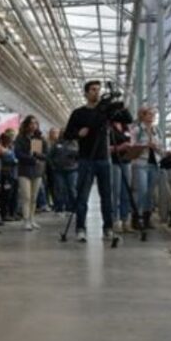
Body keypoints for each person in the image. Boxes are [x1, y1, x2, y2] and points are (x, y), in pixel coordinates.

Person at [63, 81, 114, 242]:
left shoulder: (105, 112)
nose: (96, 92)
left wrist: (116, 105)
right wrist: (78, 133)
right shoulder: (78, 113)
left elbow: (126, 118)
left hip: (103, 158)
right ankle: (80, 228)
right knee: (82, 196)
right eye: (93, 90)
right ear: (85, 93)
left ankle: (108, 228)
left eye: (98, 90)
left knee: (106, 196)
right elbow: (67, 134)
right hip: (86, 159)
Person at [14, 115, 47, 231]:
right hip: (24, 170)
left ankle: (32, 219)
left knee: (34, 197)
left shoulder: (38, 138)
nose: (33, 126)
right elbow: (18, 153)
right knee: (26, 196)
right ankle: (26, 220)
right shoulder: (20, 138)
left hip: (37, 171)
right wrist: (31, 159)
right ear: (27, 125)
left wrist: (39, 157)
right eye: (31, 123)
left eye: (35, 123)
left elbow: (42, 154)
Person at [131, 105, 162, 229]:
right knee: (141, 191)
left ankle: (147, 218)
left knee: (150, 192)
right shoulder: (137, 129)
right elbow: (132, 145)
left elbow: (161, 146)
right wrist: (145, 144)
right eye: (149, 114)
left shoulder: (157, 130)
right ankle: (136, 217)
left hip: (154, 164)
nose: (152, 116)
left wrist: (157, 147)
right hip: (140, 163)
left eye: (153, 114)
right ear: (142, 116)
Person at [109, 119, 133, 233]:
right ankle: (115, 220)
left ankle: (125, 220)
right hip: (114, 162)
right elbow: (105, 148)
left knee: (126, 192)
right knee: (115, 191)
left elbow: (130, 139)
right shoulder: (108, 127)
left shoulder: (125, 126)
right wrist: (119, 147)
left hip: (126, 161)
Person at [48, 132, 79, 214]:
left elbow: (79, 155)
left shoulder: (74, 143)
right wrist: (53, 166)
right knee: (60, 189)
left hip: (72, 169)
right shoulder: (56, 144)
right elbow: (50, 156)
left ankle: (73, 207)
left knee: (72, 189)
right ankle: (59, 207)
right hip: (59, 170)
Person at [0, 129, 19, 221]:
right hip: (6, 174)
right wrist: (14, 160)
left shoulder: (12, 148)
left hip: (14, 174)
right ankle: (4, 214)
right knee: (6, 195)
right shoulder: (1, 147)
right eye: (9, 137)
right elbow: (8, 159)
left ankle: (13, 212)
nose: (11, 139)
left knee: (14, 195)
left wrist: (14, 160)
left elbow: (14, 158)